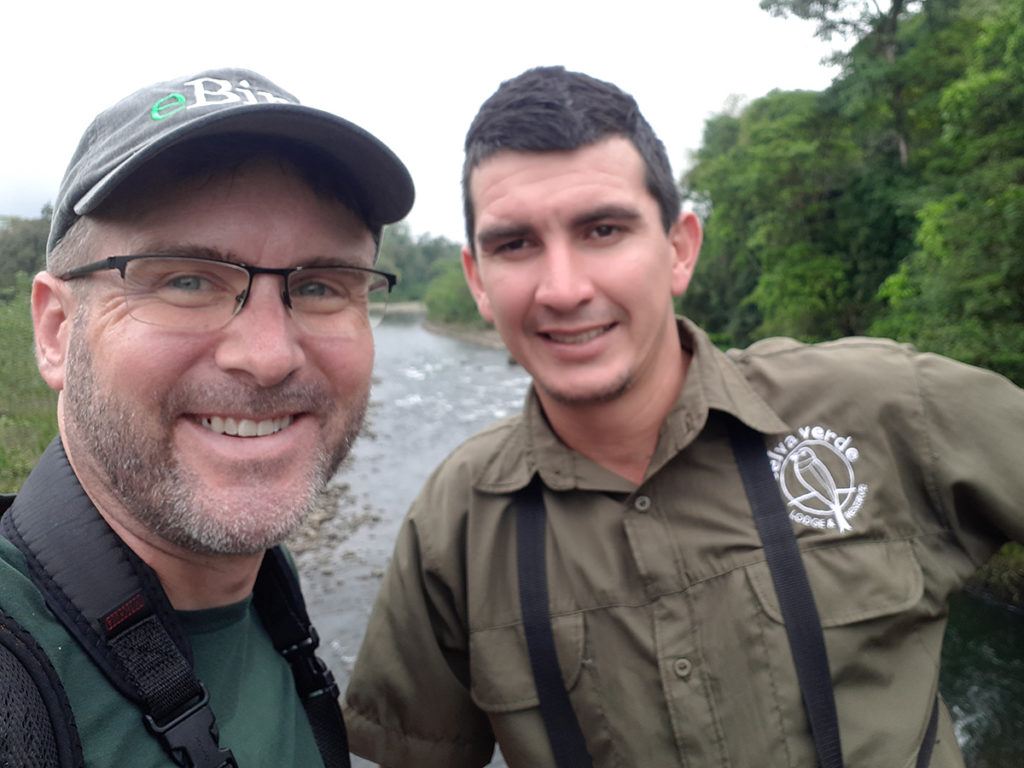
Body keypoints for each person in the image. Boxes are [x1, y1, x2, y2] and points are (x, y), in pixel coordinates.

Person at [342, 66, 1024, 768]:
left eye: (603, 229)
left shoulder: (884, 406)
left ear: (679, 248)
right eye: (515, 244)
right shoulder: (455, 527)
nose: (565, 288)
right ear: (478, 280)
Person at [0, 68, 413, 768]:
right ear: (56, 330)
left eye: (319, 286)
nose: (270, 357)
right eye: (187, 279)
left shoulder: (267, 596)